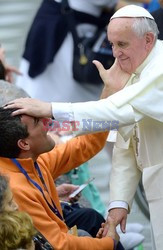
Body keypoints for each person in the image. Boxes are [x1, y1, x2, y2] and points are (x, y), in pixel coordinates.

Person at [7, 5, 163, 249]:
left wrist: (50, 108)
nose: (115, 53)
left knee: (88, 217)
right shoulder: (17, 181)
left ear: (148, 39)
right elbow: (123, 134)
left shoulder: (37, 161)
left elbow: (107, 122)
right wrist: (116, 215)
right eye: (112, 45)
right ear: (23, 143)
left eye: (122, 44)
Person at [0, 106, 121, 250]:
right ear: (24, 144)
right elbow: (59, 245)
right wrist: (109, 243)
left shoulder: (29, 161)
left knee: (89, 217)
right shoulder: (15, 187)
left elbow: (81, 146)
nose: (48, 123)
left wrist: (107, 102)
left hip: (53, 236)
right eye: (38, 121)